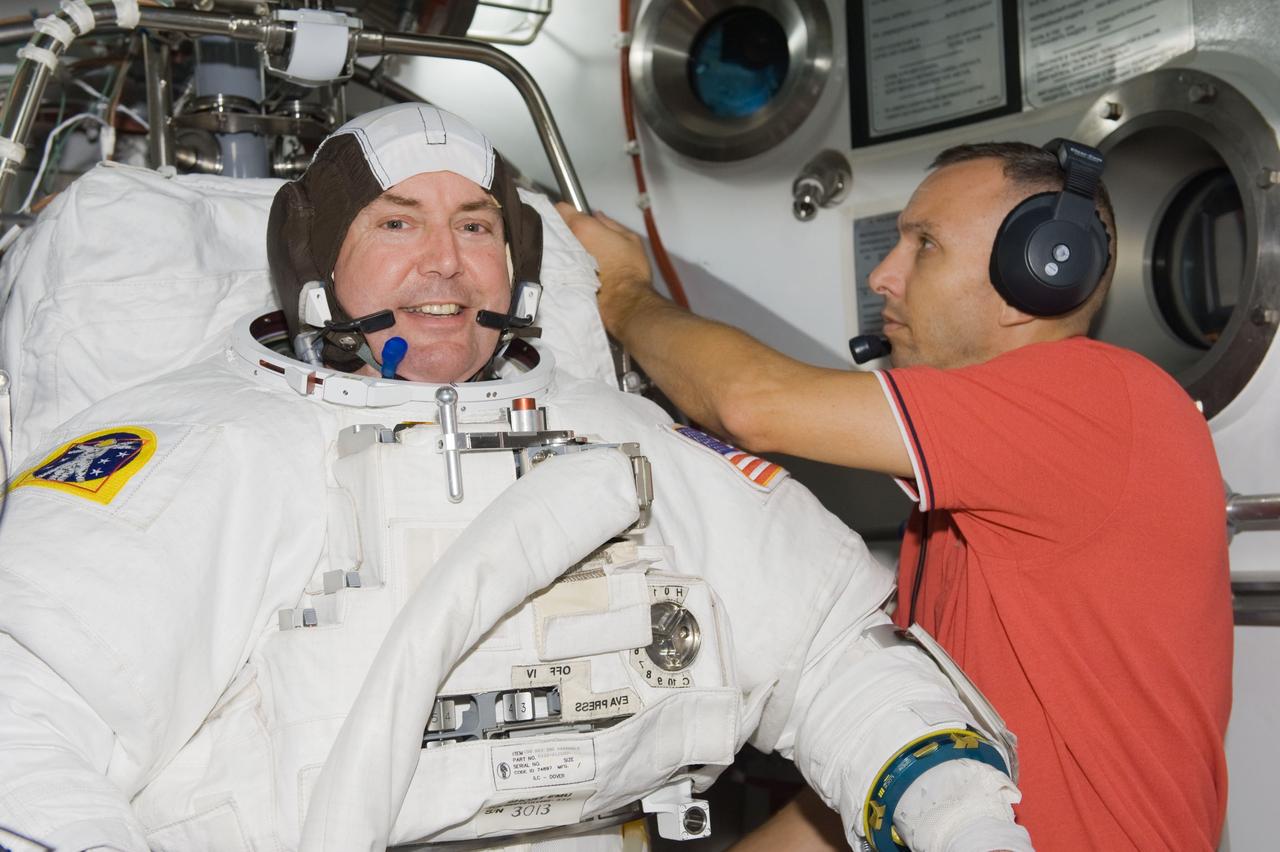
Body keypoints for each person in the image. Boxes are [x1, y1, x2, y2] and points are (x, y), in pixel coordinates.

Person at [0, 104, 1034, 852]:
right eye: (396, 222)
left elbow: (827, 648)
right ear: (316, 257)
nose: (445, 262)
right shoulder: (212, 448)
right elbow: (28, 723)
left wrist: (958, 814)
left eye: (476, 226)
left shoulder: (620, 439)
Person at [560, 140, 1233, 850]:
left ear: (1039, 273)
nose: (882, 275)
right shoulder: (945, 519)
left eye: (925, 245)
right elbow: (891, 772)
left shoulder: (1104, 400)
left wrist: (624, 293)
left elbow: (749, 402)